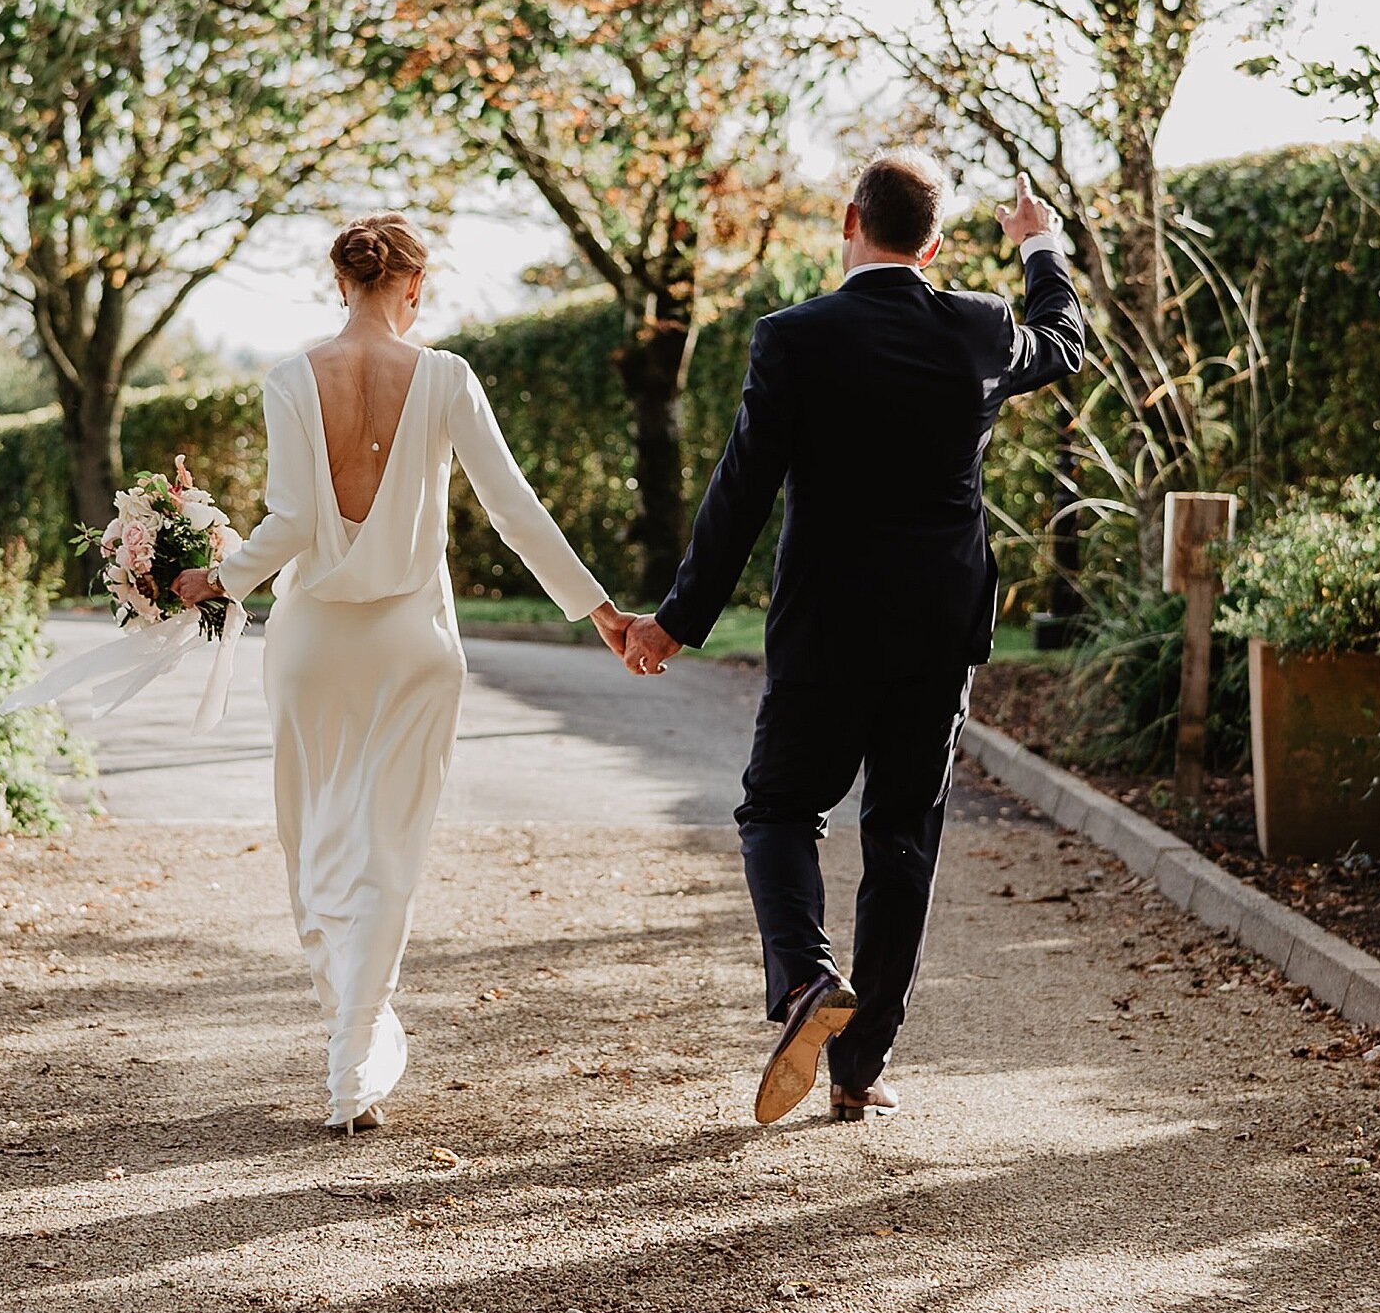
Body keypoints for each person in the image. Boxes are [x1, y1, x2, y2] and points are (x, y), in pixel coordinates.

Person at [618, 157, 1085, 1125]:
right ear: (934, 244)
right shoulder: (979, 328)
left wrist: (674, 621)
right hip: (937, 630)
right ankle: (858, 1070)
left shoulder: (791, 339)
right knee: (901, 835)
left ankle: (801, 986)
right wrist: (1038, 243)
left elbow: (740, 488)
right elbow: (1063, 341)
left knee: (779, 809)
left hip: (826, 626)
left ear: (848, 221)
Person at [175, 213, 629, 1134]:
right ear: (413, 287)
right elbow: (513, 508)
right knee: (390, 850)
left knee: (320, 844)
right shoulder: (448, 377)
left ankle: (350, 1037)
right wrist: (601, 611)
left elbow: (294, 523)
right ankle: (351, 1065)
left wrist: (212, 578)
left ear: (339, 284)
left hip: (312, 651)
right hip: (414, 647)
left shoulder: (290, 377)